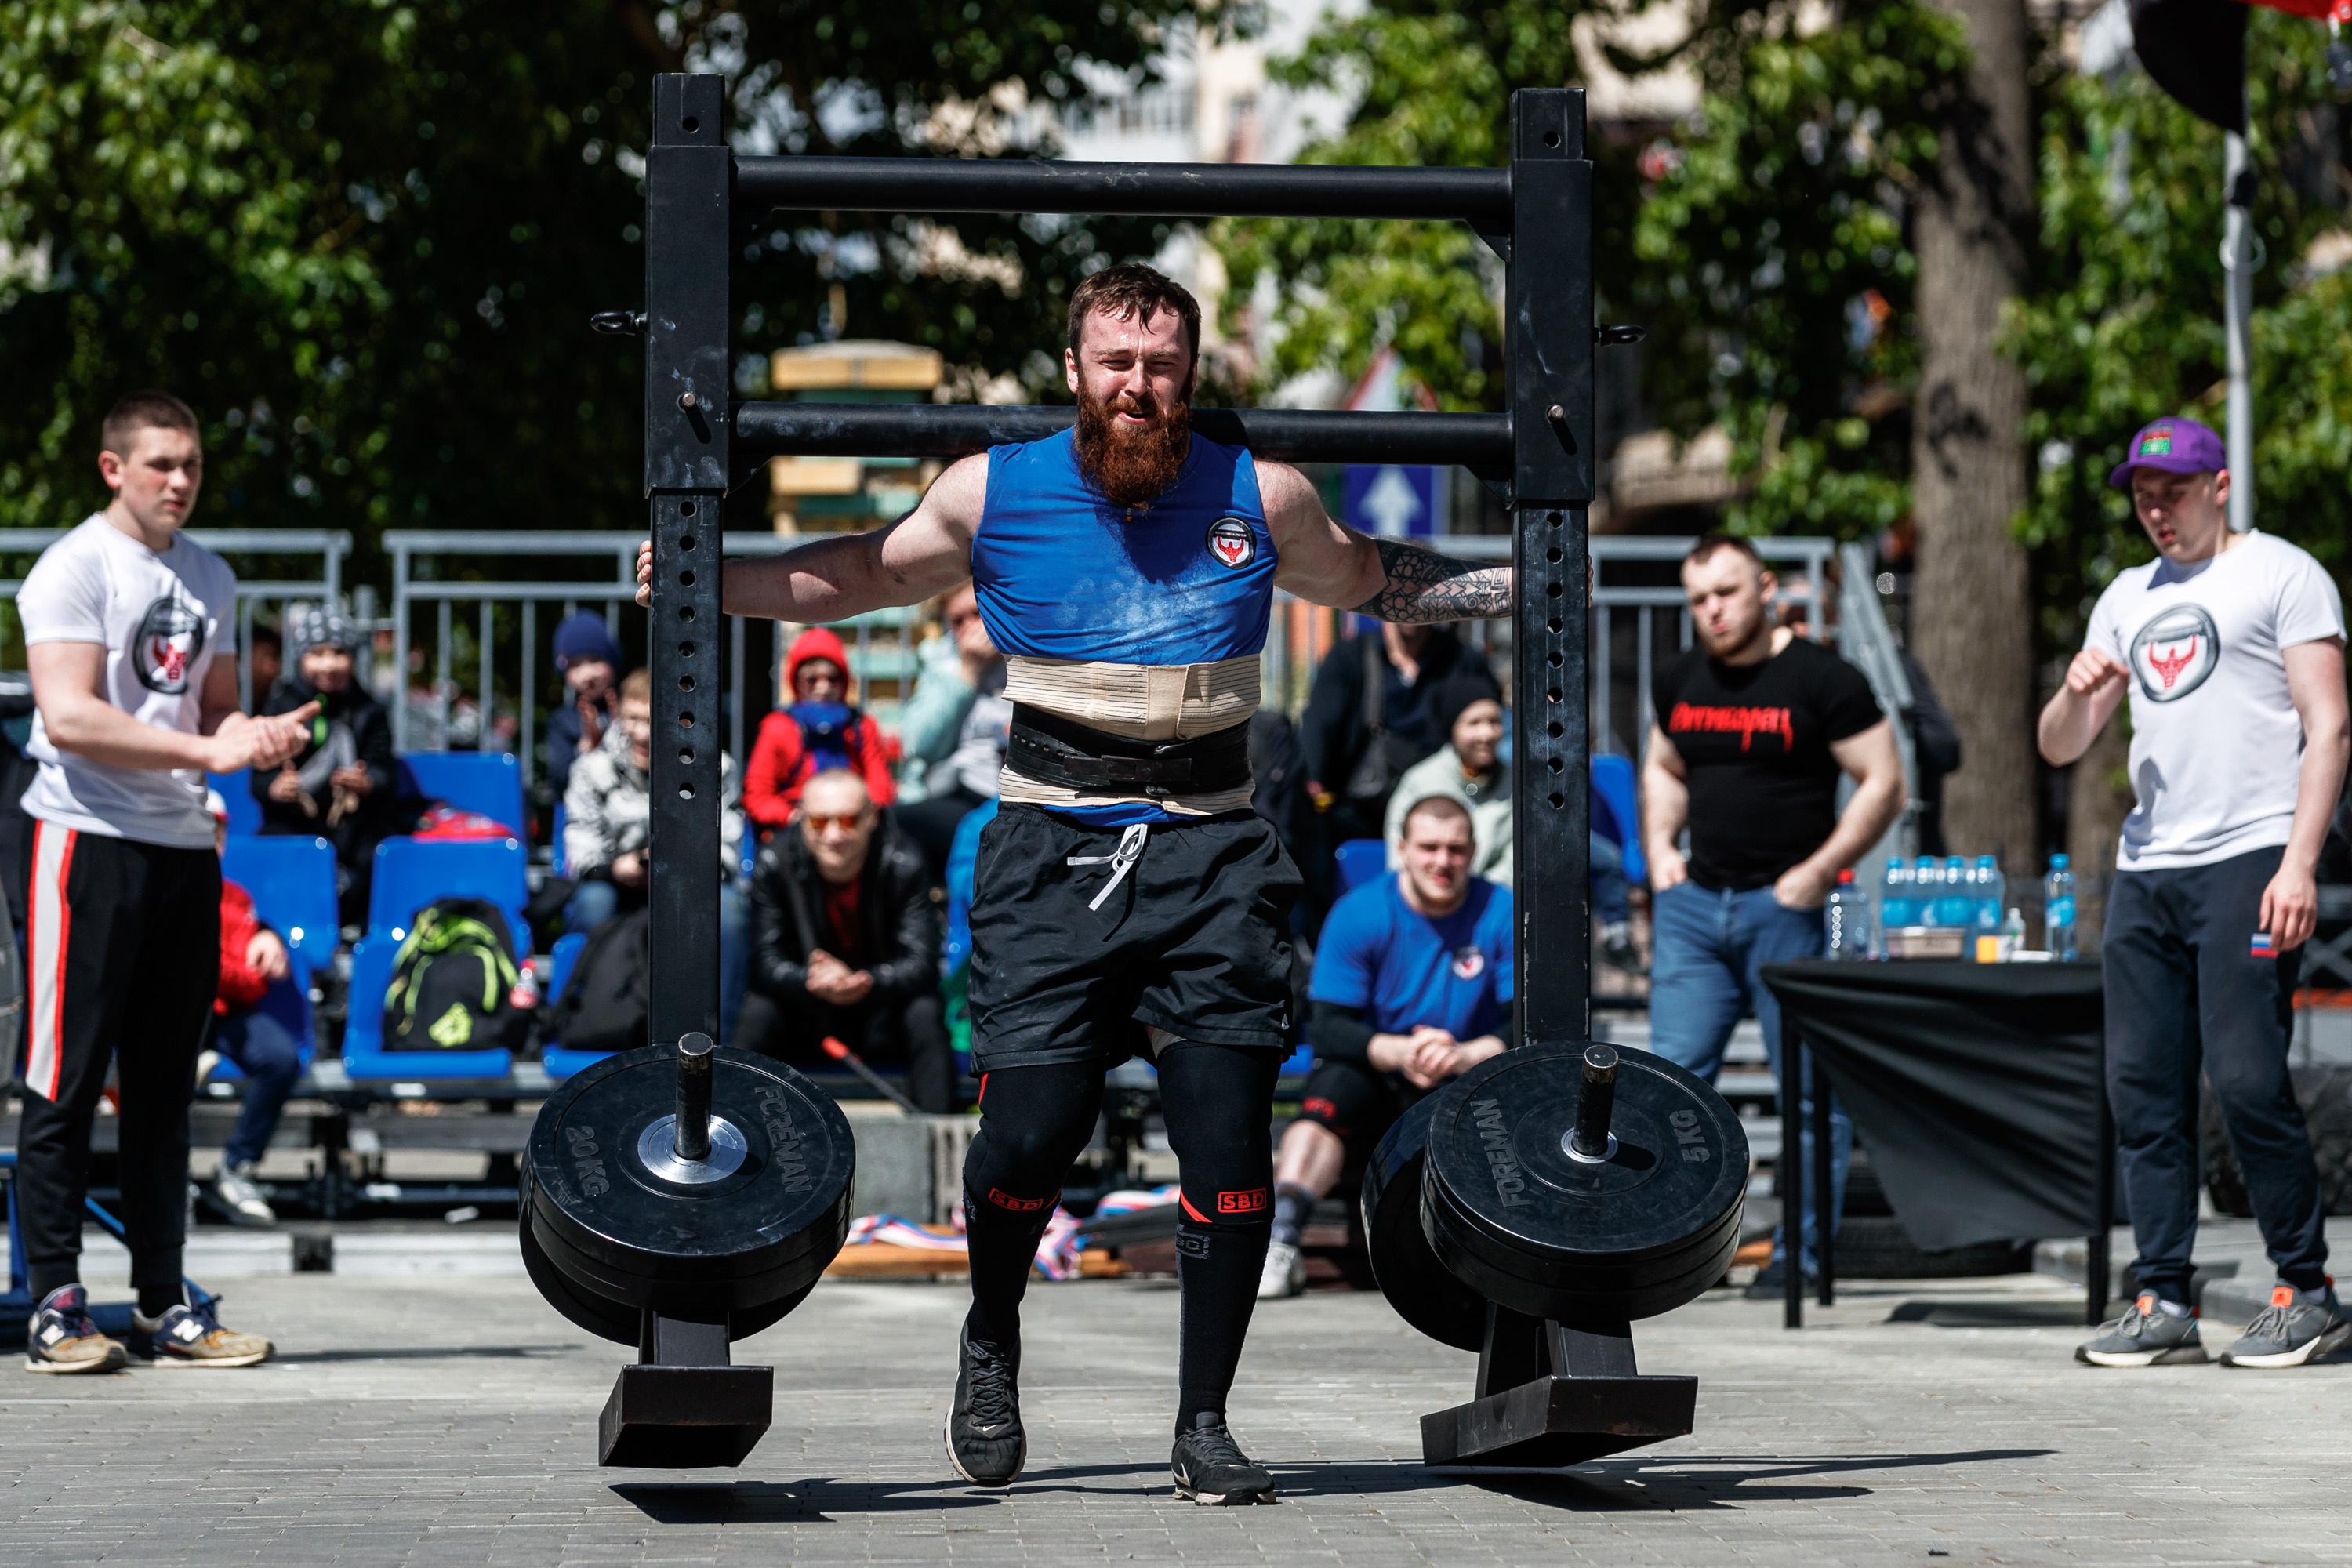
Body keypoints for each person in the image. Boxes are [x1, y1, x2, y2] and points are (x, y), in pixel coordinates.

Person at [633, 262, 1511, 1503]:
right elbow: (864, 574)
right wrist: (698, 576)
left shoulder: (1261, 495)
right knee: (1031, 1132)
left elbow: (1373, 579)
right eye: (1116, 362)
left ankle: (1204, 1422)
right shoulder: (995, 490)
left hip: (1214, 857)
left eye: (1159, 366)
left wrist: (1529, 580)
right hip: (1053, 856)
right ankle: (991, 1332)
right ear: (1076, 371)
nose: (1138, 386)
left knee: (1226, 1150)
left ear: (1189, 376)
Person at [2039, 416, 2351, 1369]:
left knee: (2250, 1076)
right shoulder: (2128, 596)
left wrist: (2300, 862)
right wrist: (2076, 688)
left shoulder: (2284, 574)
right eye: (2142, 493)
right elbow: (2060, 744)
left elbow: (2330, 725)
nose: (2156, 509)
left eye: (2173, 490)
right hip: (2149, 867)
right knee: (2142, 1087)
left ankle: (2310, 1289)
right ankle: (2163, 1295)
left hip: (2252, 854)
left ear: (2219, 486)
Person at [17, 390, 308, 1371]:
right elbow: (70, 716)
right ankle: (55, 1301)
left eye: (190, 463)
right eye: (160, 464)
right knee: (63, 1077)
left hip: (185, 847)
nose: (180, 480)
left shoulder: (211, 576)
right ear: (113, 469)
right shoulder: (71, 568)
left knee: (162, 1088)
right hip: (85, 836)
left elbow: (216, 712)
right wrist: (203, 746)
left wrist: (259, 739)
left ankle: (162, 1300)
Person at [1639, 532, 1903, 1298]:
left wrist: (1818, 872)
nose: (1711, 611)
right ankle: (1668, 1257)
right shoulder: (1679, 678)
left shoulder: (1824, 678)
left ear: (1764, 587)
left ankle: (1801, 1257)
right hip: (1695, 909)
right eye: (1697, 599)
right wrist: (1661, 848)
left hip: (1785, 910)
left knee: (1808, 1096)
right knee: (1673, 1089)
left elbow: (1883, 779)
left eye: (1724, 592)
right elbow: (1663, 763)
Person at [1260, 794, 1511, 1299]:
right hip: (1381, 1070)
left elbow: (1526, 1023)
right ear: (1402, 849)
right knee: (1325, 1098)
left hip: (1467, 1071)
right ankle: (1281, 1237)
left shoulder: (1502, 909)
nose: (1443, 861)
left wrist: (1466, 1053)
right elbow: (1328, 1027)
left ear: (1474, 851)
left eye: (1456, 849)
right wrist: (1400, 1051)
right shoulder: (1361, 912)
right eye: (1429, 847)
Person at [736, 770, 955, 1112]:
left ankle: (940, 1141)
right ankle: (731, 1129)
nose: (835, 835)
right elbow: (765, 964)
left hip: (880, 1012)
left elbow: (922, 965)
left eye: (849, 820)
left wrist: (863, 981)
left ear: (872, 817)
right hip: (806, 1013)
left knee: (924, 1012)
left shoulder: (903, 860)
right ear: (802, 820)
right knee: (758, 1013)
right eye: (821, 823)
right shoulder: (774, 862)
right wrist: (811, 981)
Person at [564, 666, 753, 1044]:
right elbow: (580, 841)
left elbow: (729, 846)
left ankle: (723, 1039)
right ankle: (596, 1025)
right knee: (592, 903)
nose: (643, 733)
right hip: (618, 881)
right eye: (633, 719)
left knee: (731, 912)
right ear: (619, 715)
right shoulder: (592, 768)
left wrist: (685, 867)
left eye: (654, 721)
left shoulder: (718, 766)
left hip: (695, 883)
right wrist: (617, 868)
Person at [252, 605, 397, 927]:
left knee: (374, 851)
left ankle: (354, 932)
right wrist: (275, 786)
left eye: (339, 653)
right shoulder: (282, 705)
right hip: (293, 824)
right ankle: (278, 928)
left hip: (351, 828)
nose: (329, 664)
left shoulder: (368, 711)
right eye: (317, 653)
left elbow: (385, 770)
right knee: (271, 847)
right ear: (301, 656)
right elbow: (258, 776)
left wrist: (367, 781)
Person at [1298, 617, 1493, 848]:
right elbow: (1320, 725)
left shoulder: (1464, 661)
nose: (1412, 606)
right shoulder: (1351, 657)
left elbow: (1490, 720)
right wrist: (1314, 780)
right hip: (1360, 814)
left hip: (1444, 812)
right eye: (1403, 591)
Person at [201, 790, 301, 1229]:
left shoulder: (236, 900)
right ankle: (157, 1180)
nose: (208, 838)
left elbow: (253, 981)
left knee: (280, 1058)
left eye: (216, 829)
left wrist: (266, 936)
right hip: (173, 1016)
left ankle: (237, 1167)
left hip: (225, 1015)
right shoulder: (152, 892)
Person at [894, 583, 1011, 879]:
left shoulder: (1026, 662)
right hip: (956, 788)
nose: (970, 629)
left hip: (1005, 794)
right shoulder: (943, 665)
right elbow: (919, 744)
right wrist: (968, 674)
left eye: (977, 614)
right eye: (958, 621)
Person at [742, 625, 898, 835]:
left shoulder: (862, 726)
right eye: (812, 679)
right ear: (796, 681)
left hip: (852, 828)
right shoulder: (777, 727)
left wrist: (854, 818)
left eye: (832, 679)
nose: (823, 688)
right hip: (794, 829)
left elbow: (881, 789)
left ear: (844, 681)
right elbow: (757, 796)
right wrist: (798, 819)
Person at [543, 610, 622, 799]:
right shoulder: (561, 722)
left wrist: (624, 731)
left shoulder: (632, 707)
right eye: (576, 665)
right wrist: (584, 748)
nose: (588, 674)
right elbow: (559, 783)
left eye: (595, 660)